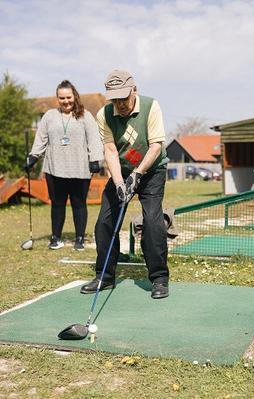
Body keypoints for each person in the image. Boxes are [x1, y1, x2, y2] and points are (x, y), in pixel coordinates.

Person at [80, 70, 170, 299]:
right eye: (115, 99)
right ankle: (105, 277)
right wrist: (119, 182)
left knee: (152, 221)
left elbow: (156, 146)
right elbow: (110, 150)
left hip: (151, 171)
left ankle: (159, 278)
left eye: (124, 97)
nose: (120, 104)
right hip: (122, 171)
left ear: (134, 90)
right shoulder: (104, 114)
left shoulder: (151, 107)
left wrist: (138, 174)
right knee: (105, 221)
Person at [25, 80, 104, 250]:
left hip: (80, 169)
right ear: (57, 99)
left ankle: (80, 239)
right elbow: (41, 138)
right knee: (57, 203)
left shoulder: (85, 115)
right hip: (54, 168)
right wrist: (33, 156)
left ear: (74, 96)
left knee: (79, 204)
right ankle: (55, 238)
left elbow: (94, 139)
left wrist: (96, 159)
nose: (66, 101)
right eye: (62, 98)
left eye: (68, 97)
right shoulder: (49, 116)